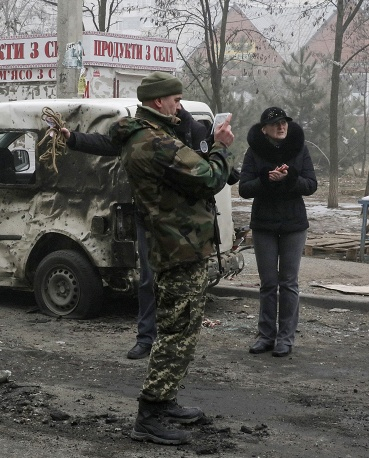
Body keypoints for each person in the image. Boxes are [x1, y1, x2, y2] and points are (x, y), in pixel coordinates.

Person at [108, 71, 235, 445]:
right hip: (178, 246)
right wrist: (221, 146)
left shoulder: (148, 136)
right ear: (158, 102)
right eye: (176, 100)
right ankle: (149, 414)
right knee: (176, 333)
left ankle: (163, 401)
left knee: (178, 328)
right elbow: (210, 177)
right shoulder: (154, 141)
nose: (179, 106)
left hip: (177, 243)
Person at [61, 105, 210, 360]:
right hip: (148, 217)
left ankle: (176, 342)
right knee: (148, 279)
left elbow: (206, 169)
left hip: (181, 221)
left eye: (178, 99)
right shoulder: (142, 130)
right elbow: (109, 143)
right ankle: (145, 338)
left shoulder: (191, 129)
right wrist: (73, 138)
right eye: (172, 99)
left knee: (179, 283)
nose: (176, 105)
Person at [238, 107, 317, 357]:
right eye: (275, 124)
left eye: (284, 122)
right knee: (269, 283)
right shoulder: (254, 152)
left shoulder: (299, 148)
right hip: (264, 225)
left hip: (294, 224)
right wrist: (266, 179)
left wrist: (291, 177)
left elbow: (311, 185)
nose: (281, 127)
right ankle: (265, 335)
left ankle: (285, 338)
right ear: (264, 129)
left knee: (289, 282)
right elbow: (244, 189)